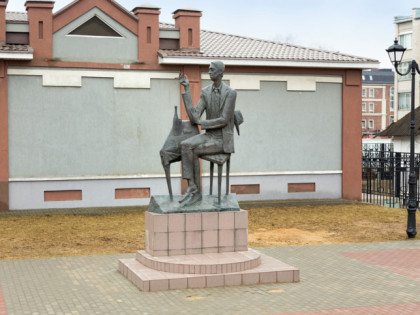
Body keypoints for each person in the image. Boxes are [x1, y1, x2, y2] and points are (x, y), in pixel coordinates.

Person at [179, 61, 237, 206]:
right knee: (185, 145)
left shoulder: (231, 93)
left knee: (192, 151)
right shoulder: (205, 92)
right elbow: (194, 116)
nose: (209, 71)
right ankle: (192, 186)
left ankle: (195, 191)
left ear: (220, 73)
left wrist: (203, 124)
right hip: (209, 136)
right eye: (209, 69)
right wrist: (186, 90)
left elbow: (224, 120)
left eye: (212, 69)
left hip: (222, 139)